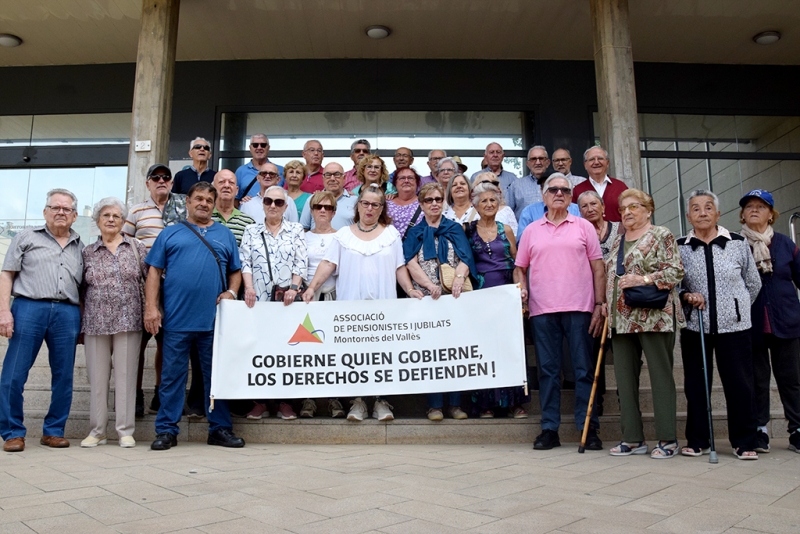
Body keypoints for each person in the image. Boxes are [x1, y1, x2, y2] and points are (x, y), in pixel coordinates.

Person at [303, 185, 423, 421]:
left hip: (383, 309)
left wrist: (410, 290)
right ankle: (357, 403)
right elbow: (328, 264)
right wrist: (311, 288)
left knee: (381, 356)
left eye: (375, 204)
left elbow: (399, 267)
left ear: (381, 208)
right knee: (354, 356)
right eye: (365, 203)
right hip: (350, 309)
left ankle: (380, 403)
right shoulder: (343, 235)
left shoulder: (391, 235)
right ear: (358, 206)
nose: (370, 208)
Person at [144, 182, 244, 450]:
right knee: (172, 377)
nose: (203, 204)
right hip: (176, 319)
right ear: (187, 202)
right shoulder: (170, 233)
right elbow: (154, 271)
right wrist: (151, 308)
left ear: (214, 205)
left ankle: (219, 429)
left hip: (214, 322)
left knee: (216, 377)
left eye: (208, 200)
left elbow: (236, 270)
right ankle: (166, 430)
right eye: (198, 199)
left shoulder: (225, 235)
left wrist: (232, 293)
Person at [513, 175, 605, 451]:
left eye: (565, 190)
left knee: (582, 370)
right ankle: (549, 429)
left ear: (571, 196)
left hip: (580, 307)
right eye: (553, 189)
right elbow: (520, 268)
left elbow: (598, 268)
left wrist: (600, 305)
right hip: (543, 310)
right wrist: (522, 289)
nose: (559, 193)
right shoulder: (531, 230)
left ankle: (588, 428)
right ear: (543, 196)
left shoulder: (584, 227)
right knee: (548, 372)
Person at [677, 190, 761, 460]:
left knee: (740, 385)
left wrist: (736, 307)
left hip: (735, 328)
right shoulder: (680, 246)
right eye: (696, 208)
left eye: (708, 207)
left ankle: (744, 441)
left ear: (718, 213)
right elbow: (675, 285)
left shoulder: (736, 243)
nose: (702, 212)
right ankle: (697, 439)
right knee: (696, 385)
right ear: (688, 215)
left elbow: (753, 283)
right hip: (695, 327)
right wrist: (686, 297)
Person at [0, 189, 83, 452]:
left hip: (67, 312)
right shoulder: (26, 237)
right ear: (45, 211)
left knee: (63, 376)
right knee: (13, 374)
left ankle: (54, 431)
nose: (61, 212)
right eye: (55, 207)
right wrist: (4, 311)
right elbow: (6, 275)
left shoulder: (81, 246)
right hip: (28, 308)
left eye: (66, 209)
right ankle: (13, 432)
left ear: (75, 215)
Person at [605, 189, 685, 459]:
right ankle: (632, 438)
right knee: (625, 381)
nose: (627, 212)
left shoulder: (661, 235)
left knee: (661, 378)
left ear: (648, 210)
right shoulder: (617, 243)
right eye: (623, 208)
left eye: (634, 207)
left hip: (655, 317)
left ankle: (667, 439)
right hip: (621, 320)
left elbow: (676, 270)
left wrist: (644, 280)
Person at [404, 182, 476, 421]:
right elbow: (410, 263)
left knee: (454, 351)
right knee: (431, 353)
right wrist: (428, 285)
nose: (434, 203)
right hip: (427, 298)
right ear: (421, 204)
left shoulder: (454, 228)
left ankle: (455, 404)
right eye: (428, 200)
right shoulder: (414, 231)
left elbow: (466, 257)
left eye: (437, 199)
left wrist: (457, 278)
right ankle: (434, 405)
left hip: (454, 298)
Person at [80, 197, 147, 449]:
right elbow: (79, 287)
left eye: (116, 216)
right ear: (97, 220)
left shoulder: (136, 247)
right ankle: (97, 431)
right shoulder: (87, 251)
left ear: (123, 221)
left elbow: (149, 279)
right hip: (95, 321)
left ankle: (124, 430)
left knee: (126, 376)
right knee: (97, 378)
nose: (111, 219)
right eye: (106, 215)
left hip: (129, 319)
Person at [739, 189, 800, 453]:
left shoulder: (786, 244)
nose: (754, 210)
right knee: (756, 380)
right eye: (749, 206)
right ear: (742, 214)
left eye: (761, 207)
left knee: (792, 379)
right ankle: (759, 430)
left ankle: (797, 430)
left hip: (786, 321)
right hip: (750, 324)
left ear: (771, 214)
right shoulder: (734, 244)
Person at [240, 185, 308, 420]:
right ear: (262, 203)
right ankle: (259, 402)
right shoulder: (251, 230)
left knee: (287, 351)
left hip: (286, 301)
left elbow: (301, 261)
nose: (273, 206)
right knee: (259, 349)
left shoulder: (296, 230)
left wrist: (294, 287)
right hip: (257, 300)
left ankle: (285, 402)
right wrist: (248, 287)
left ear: (286, 207)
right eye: (269, 201)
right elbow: (245, 261)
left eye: (279, 203)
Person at [466, 181, 530, 419]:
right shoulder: (468, 229)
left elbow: (516, 263)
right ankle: (486, 405)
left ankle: (514, 403)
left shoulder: (506, 229)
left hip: (506, 295)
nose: (489, 204)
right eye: (484, 201)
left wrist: (520, 289)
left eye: (493, 200)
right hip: (481, 297)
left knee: (509, 347)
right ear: (476, 205)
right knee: (484, 348)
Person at [122, 163, 176, 417]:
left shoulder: (182, 209)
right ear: (148, 183)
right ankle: (135, 396)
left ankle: (159, 393)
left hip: (175, 285)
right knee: (138, 343)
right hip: (143, 286)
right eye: (156, 177)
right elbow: (122, 246)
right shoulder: (136, 211)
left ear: (172, 183)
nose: (161, 181)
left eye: (166, 177)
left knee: (167, 343)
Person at [298, 191, 345, 419]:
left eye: (328, 207)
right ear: (312, 211)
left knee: (334, 351)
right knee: (309, 351)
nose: (323, 211)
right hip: (308, 298)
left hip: (334, 297)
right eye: (318, 207)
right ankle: (309, 399)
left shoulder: (343, 236)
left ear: (334, 212)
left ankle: (334, 399)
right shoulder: (302, 236)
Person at [578, 190, 621, 416]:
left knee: (623, 354)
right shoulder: (579, 232)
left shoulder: (620, 229)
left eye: (594, 203)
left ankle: (625, 400)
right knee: (594, 356)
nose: (590, 209)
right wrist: (599, 300)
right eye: (584, 206)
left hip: (620, 302)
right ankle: (597, 402)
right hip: (592, 300)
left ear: (603, 206)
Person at [516, 174, 581, 242]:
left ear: (570, 197)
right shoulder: (529, 211)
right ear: (543, 194)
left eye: (564, 190)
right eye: (552, 190)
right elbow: (522, 242)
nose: (559, 193)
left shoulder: (577, 210)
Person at [572, 146, 628, 223]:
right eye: (592, 159)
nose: (596, 162)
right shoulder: (577, 190)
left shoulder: (621, 187)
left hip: (618, 233)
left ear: (607, 163)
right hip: (588, 234)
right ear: (585, 165)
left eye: (600, 158)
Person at [299, 162, 358, 231]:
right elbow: (304, 229)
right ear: (323, 178)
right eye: (328, 175)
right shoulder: (312, 200)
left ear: (344, 178)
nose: (332, 179)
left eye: (337, 174)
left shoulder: (355, 201)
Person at [212, 170, 256, 247]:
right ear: (213, 188)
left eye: (231, 183)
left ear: (237, 190)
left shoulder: (248, 222)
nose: (226, 185)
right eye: (221, 182)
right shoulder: (204, 218)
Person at [235, 134, 285, 202]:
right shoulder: (240, 171)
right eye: (255, 145)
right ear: (250, 148)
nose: (259, 147)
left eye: (263, 145)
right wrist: (242, 203)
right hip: (247, 211)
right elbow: (235, 199)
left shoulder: (281, 171)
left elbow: (287, 196)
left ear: (268, 148)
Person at [507, 146, 549, 220]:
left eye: (541, 158)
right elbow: (507, 213)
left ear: (548, 163)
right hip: (524, 230)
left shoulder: (557, 184)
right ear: (527, 163)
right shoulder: (516, 185)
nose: (538, 162)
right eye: (533, 159)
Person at [472, 171, 518, 236]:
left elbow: (514, 236)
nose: (490, 187)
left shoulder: (507, 211)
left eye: (494, 183)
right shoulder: (470, 212)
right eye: (486, 183)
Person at [386, 167, 424, 238]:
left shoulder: (425, 203)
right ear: (395, 183)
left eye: (410, 178)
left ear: (417, 182)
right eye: (402, 178)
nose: (406, 181)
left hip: (416, 247)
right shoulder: (386, 204)